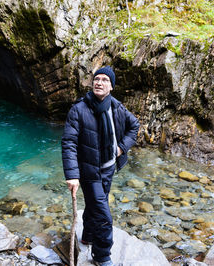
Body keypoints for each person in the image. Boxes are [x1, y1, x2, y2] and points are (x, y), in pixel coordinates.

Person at [61, 66, 139, 266]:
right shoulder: (79, 110)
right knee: (104, 216)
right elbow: (69, 143)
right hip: (89, 172)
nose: (99, 82)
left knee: (96, 205)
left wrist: (121, 148)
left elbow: (134, 126)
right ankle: (102, 256)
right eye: (97, 79)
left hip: (108, 168)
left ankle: (87, 236)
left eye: (104, 80)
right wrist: (72, 175)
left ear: (111, 86)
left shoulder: (116, 107)